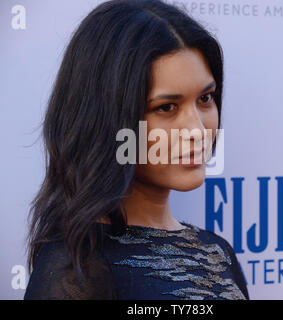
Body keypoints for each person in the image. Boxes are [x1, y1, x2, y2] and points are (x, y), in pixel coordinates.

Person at [24, 0, 249, 300]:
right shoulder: (77, 269)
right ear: (107, 120)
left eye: (206, 99)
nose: (197, 130)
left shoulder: (218, 253)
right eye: (167, 107)